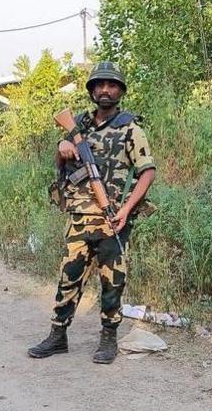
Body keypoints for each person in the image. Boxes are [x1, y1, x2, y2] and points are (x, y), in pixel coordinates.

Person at [28, 62, 156, 364]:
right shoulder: (79, 126)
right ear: (91, 91)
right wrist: (62, 148)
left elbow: (147, 172)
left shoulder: (130, 128)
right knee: (68, 277)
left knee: (112, 282)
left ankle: (108, 338)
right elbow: (60, 165)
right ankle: (57, 335)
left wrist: (125, 210)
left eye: (111, 85)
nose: (105, 90)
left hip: (113, 219)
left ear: (121, 91)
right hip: (79, 216)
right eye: (99, 85)